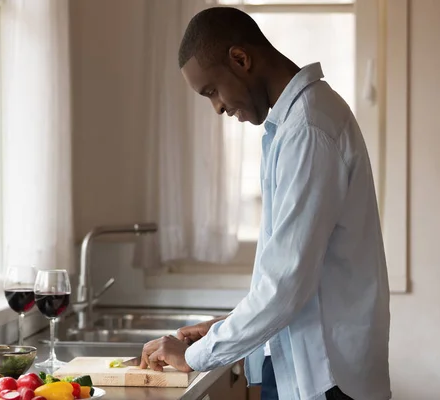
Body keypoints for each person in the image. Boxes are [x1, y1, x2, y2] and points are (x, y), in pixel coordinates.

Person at [139, 7, 391, 400]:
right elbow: (296, 273)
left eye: (211, 91)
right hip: (312, 365)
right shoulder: (295, 124)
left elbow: (286, 285)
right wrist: (224, 326)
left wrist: (195, 354)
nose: (218, 107)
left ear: (240, 59)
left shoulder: (308, 130)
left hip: (326, 377)